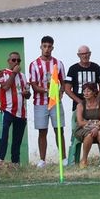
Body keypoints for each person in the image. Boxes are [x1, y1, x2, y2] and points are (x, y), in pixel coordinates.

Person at [26, 36, 64, 167]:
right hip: (40, 102)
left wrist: (60, 93)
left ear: (52, 48)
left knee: (59, 129)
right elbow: (34, 85)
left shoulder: (58, 63)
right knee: (42, 131)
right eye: (44, 46)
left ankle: (63, 158)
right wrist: (47, 92)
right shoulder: (34, 64)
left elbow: (63, 82)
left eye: (49, 46)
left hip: (55, 102)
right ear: (41, 47)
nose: (47, 49)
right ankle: (42, 160)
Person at [64, 46, 100, 135]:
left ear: (90, 54)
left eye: (87, 53)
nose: (85, 56)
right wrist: (80, 102)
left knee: (97, 129)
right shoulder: (73, 69)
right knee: (78, 129)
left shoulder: (96, 67)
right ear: (78, 55)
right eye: (82, 54)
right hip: (78, 105)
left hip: (94, 107)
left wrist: (97, 100)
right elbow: (67, 89)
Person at [0, 50, 27, 165]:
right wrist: (13, 73)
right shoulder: (3, 73)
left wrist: (26, 93)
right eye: (14, 60)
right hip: (7, 110)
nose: (16, 62)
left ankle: (15, 163)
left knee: (17, 139)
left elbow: (28, 94)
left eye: (18, 60)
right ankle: (0, 159)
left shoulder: (23, 76)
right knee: (4, 136)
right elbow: (6, 87)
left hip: (21, 112)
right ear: (9, 61)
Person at [75, 84, 100, 166]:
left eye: (88, 91)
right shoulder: (80, 105)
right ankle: (84, 160)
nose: (86, 93)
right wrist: (94, 123)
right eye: (84, 91)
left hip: (99, 128)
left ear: (94, 92)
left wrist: (96, 126)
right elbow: (80, 122)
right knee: (89, 135)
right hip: (83, 129)